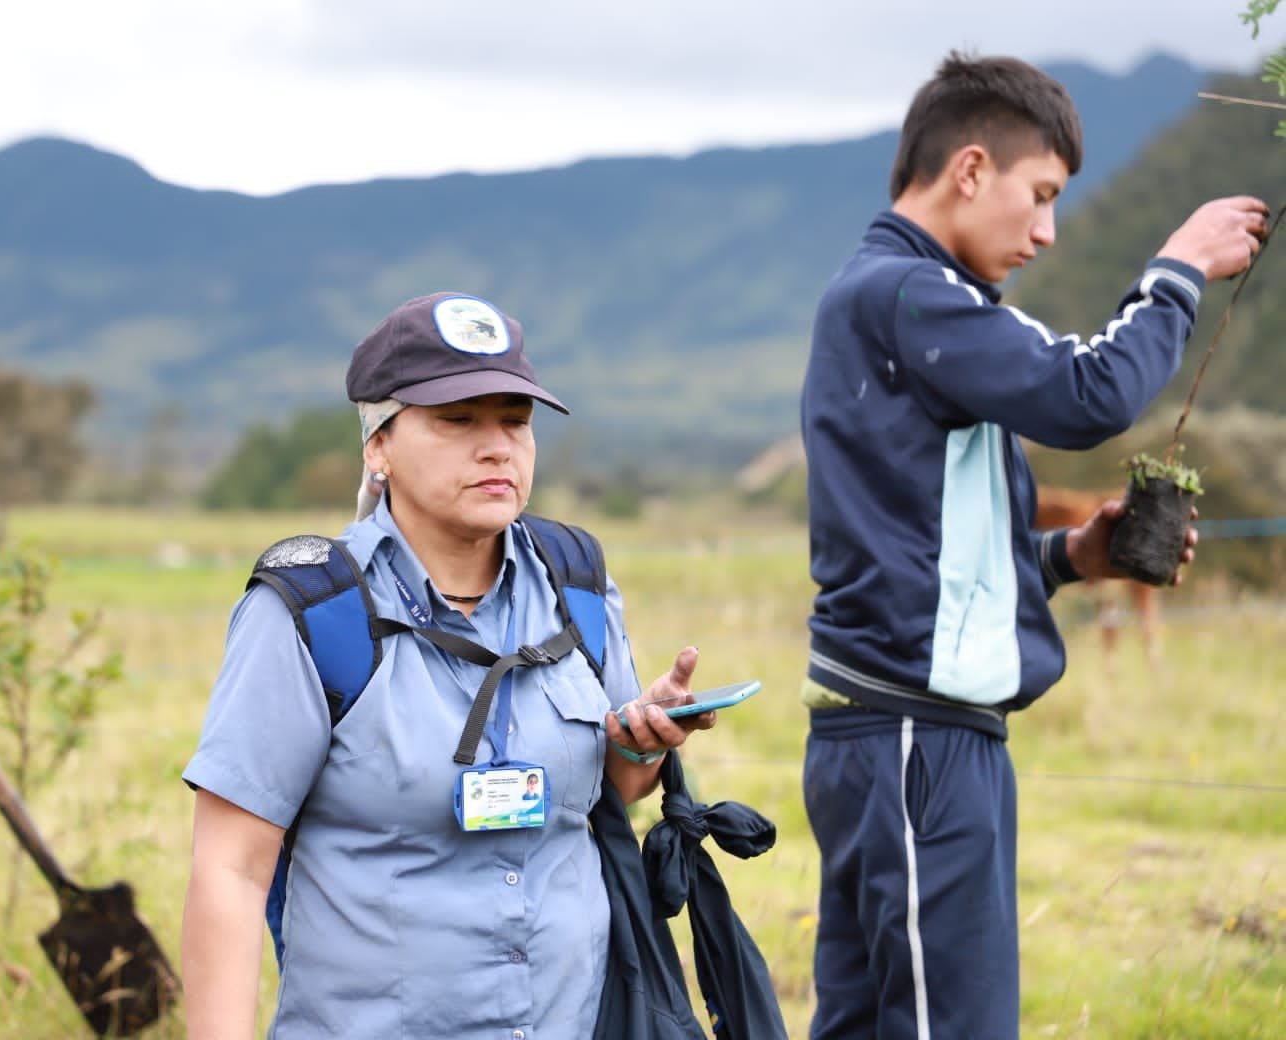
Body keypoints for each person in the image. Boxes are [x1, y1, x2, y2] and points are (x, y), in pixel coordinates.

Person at [797, 51, 1267, 1040]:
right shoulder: (910, 297)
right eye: (1041, 194)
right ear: (971, 169)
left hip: (889, 736)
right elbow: (1083, 396)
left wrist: (1070, 559)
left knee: (871, 1020)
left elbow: (923, 543)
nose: (1048, 231)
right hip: (917, 739)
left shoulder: (892, 305)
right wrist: (1177, 270)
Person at [181, 291, 718, 1039]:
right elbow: (230, 872)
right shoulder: (312, 612)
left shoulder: (575, 583)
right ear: (378, 444)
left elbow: (607, 797)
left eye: (515, 422)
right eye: (457, 420)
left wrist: (641, 742)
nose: (496, 446)